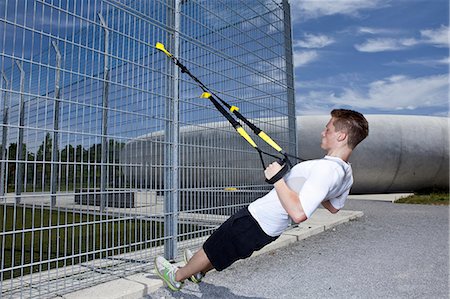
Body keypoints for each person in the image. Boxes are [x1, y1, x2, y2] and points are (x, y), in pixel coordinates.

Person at [154, 109, 369, 291]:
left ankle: (177, 276)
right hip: (270, 227)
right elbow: (333, 207)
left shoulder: (326, 169)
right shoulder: (345, 172)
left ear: (341, 136)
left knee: (214, 245)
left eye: (328, 129)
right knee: (227, 250)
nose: (323, 132)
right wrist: (304, 187)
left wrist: (277, 179)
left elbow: (299, 213)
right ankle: (197, 270)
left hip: (258, 219)